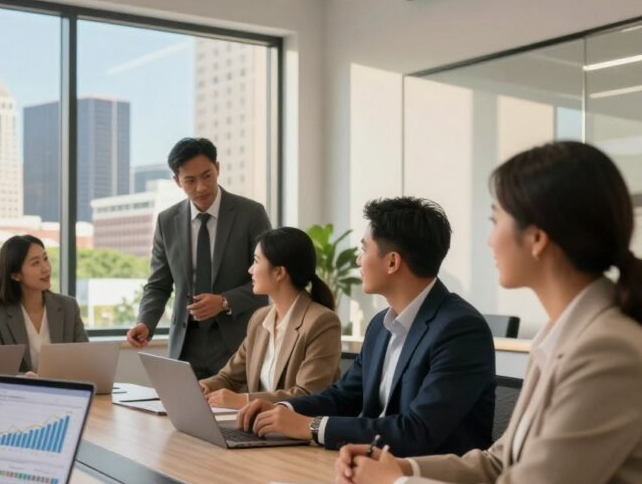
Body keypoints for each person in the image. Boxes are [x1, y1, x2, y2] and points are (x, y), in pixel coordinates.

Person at [335, 142, 642, 484]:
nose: (489, 240)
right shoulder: (563, 334)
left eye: (495, 220)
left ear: (536, 238)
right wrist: (404, 467)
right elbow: (500, 463)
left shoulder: (607, 351)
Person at [237, 197, 495, 456]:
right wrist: (284, 409)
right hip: (370, 467)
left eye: (364, 249)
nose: (359, 261)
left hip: (431, 482)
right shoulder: (381, 326)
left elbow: (417, 431)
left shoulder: (460, 330)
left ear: (392, 262)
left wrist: (311, 427)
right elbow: (343, 396)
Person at [126, 137, 272, 379]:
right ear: (176, 181)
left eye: (207, 175)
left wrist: (225, 301)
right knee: (180, 416)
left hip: (237, 345)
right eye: (190, 181)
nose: (201, 187)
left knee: (235, 417)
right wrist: (146, 323)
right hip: (185, 347)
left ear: (218, 168)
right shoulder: (167, 221)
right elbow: (158, 284)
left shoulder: (251, 214)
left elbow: (268, 280)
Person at [199, 227, 342, 409]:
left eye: (256, 261)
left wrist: (243, 401)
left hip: (299, 431)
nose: (250, 270)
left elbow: (308, 394)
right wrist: (204, 386)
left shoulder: (321, 322)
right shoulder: (260, 319)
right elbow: (229, 377)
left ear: (279, 272)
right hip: (258, 428)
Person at [0, 235, 87, 373]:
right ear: (15, 275)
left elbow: (85, 361)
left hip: (65, 392)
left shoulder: (69, 306)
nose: (46, 268)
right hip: (19, 393)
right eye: (35, 263)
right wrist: (25, 380)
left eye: (45, 259)